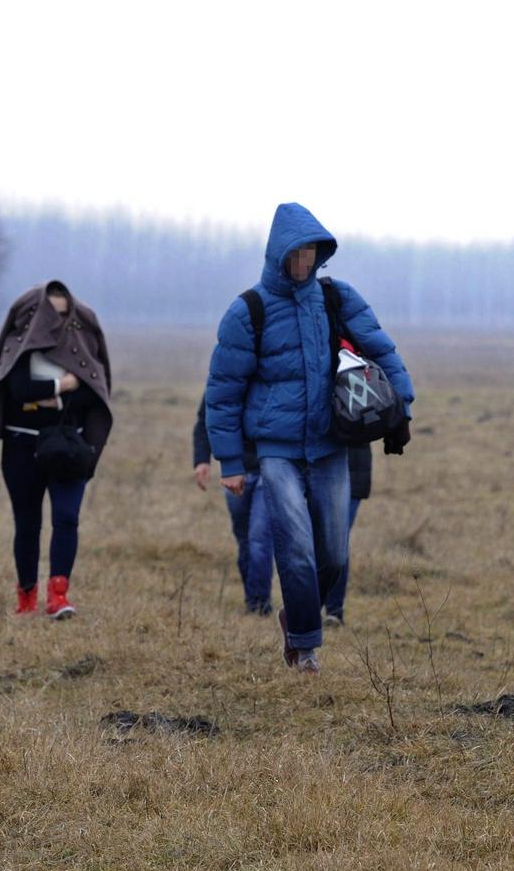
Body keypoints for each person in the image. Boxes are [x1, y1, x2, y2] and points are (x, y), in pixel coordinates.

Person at [205, 203, 413, 674]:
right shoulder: (248, 311)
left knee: (334, 554)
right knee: (295, 551)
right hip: (276, 452)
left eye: (313, 253)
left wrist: (403, 404)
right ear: (279, 255)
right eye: (297, 253)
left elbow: (381, 347)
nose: (305, 262)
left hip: (329, 446)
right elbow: (222, 392)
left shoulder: (337, 298)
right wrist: (231, 463)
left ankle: (294, 616)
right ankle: (304, 645)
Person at [0, 281, 112, 619]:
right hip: (21, 446)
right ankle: (26, 597)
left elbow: (93, 392)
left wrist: (55, 396)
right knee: (27, 523)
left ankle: (58, 596)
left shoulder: (83, 342)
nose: (59, 320)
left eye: (65, 313)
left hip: (67, 445)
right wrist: (61, 385)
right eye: (53, 312)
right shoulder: (18, 345)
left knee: (67, 518)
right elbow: (19, 389)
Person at [193, 400, 274, 615]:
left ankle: (260, 603)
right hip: (235, 470)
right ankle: (252, 599)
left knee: (259, 537)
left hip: (272, 468)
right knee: (244, 539)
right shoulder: (226, 376)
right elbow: (206, 419)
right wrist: (202, 460)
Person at [323, 443, 372, 626]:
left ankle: (334, 610)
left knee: (337, 540)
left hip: (353, 473)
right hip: (314, 469)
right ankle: (309, 608)